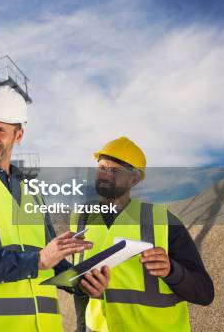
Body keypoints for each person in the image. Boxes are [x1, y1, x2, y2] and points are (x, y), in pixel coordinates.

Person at [0, 86, 110, 332]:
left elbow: (52, 260)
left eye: (0, 130)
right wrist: (37, 261)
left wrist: (81, 282)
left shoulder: (33, 193)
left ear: (18, 136)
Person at [71, 136, 214, 332]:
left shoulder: (163, 220)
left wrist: (172, 270)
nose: (105, 175)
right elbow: (80, 286)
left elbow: (204, 293)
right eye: (101, 168)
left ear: (135, 178)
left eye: (115, 171)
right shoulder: (81, 218)